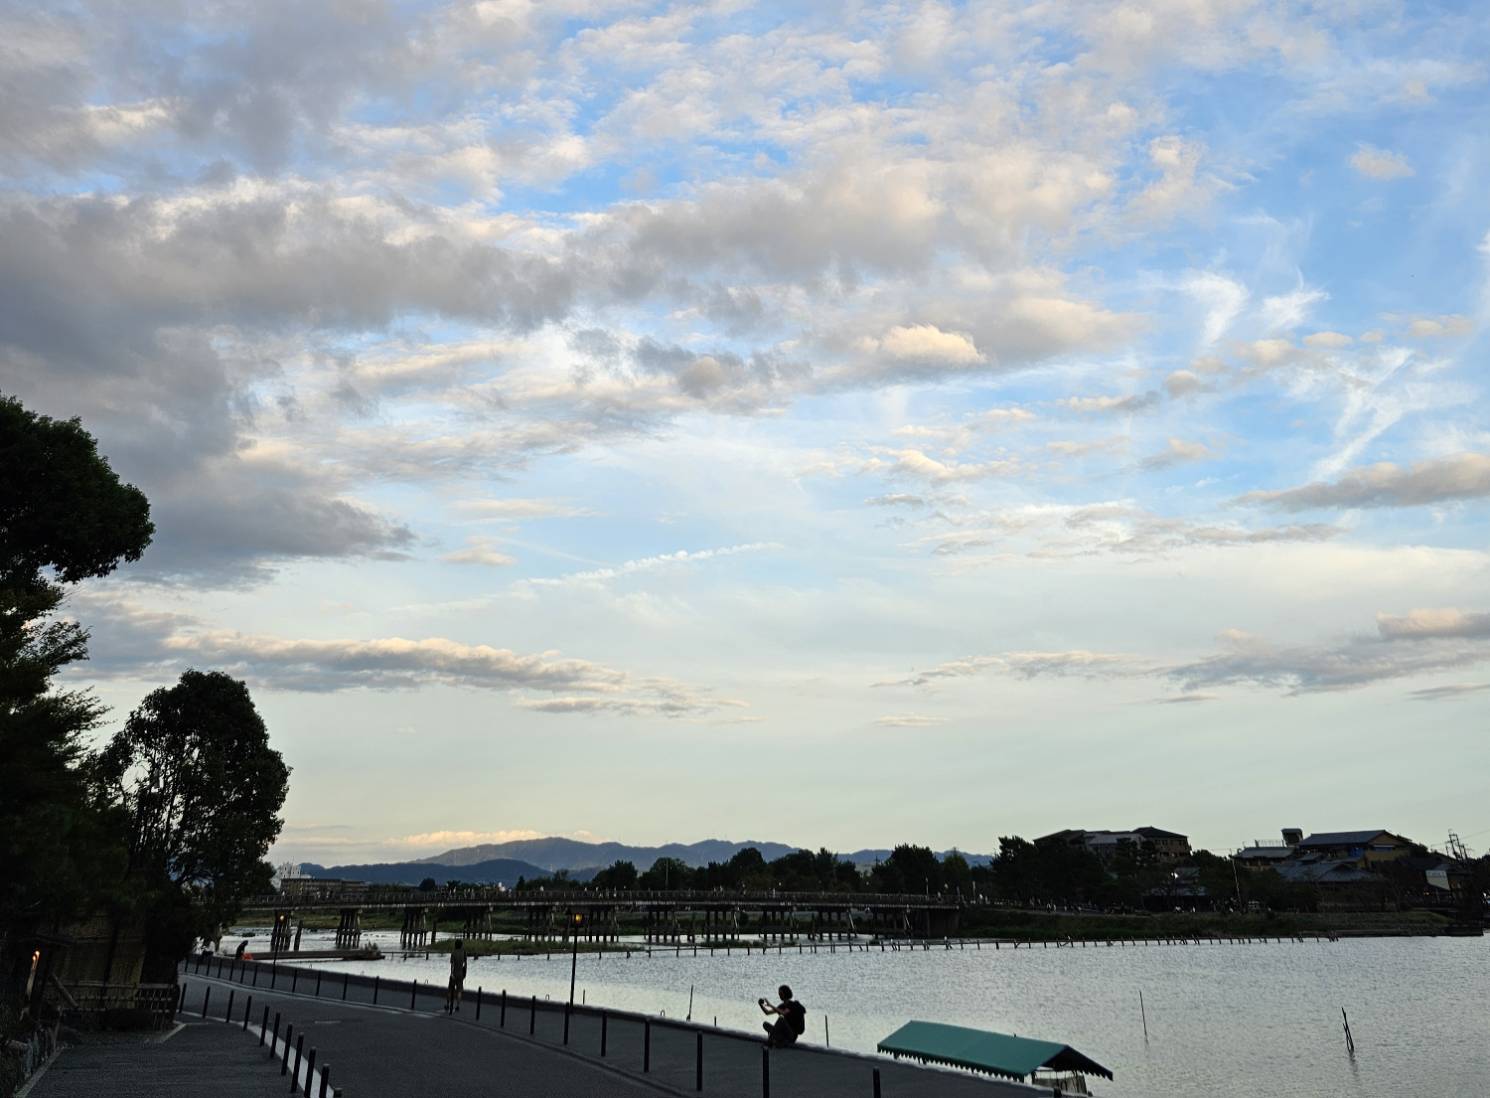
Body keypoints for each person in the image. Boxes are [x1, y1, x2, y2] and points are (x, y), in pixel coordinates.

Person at [446, 939, 467, 1013]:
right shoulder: (464, 952)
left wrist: (451, 973)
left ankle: (448, 1004)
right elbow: (465, 964)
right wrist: (465, 974)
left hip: (454, 973)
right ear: (461, 945)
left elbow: (452, 964)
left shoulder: (453, 953)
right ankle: (457, 1006)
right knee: (459, 991)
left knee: (450, 990)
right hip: (461, 973)